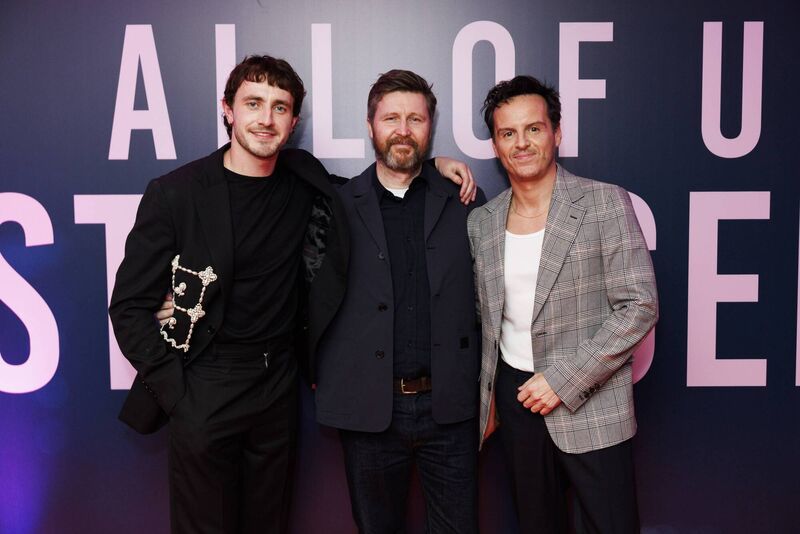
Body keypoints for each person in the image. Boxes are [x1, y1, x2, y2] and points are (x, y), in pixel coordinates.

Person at [112, 55, 475, 534]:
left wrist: (433, 166)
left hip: (275, 392)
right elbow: (129, 307)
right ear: (228, 110)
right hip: (204, 386)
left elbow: (381, 184)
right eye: (254, 103)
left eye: (279, 107)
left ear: (293, 121)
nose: (266, 118)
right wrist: (179, 393)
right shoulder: (176, 192)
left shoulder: (303, 181)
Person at [467, 75, 658, 533]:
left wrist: (563, 379)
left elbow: (639, 305)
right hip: (517, 405)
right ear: (495, 145)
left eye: (533, 128)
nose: (521, 143)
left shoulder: (604, 203)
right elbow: (485, 320)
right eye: (507, 133)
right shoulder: (482, 223)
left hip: (591, 403)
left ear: (557, 132)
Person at [313, 70, 486, 534]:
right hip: (369, 413)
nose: (404, 130)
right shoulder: (335, 204)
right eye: (391, 118)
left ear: (431, 128)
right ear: (370, 126)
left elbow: (491, 304)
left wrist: (437, 169)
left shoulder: (466, 201)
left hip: (449, 410)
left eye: (416, 119)